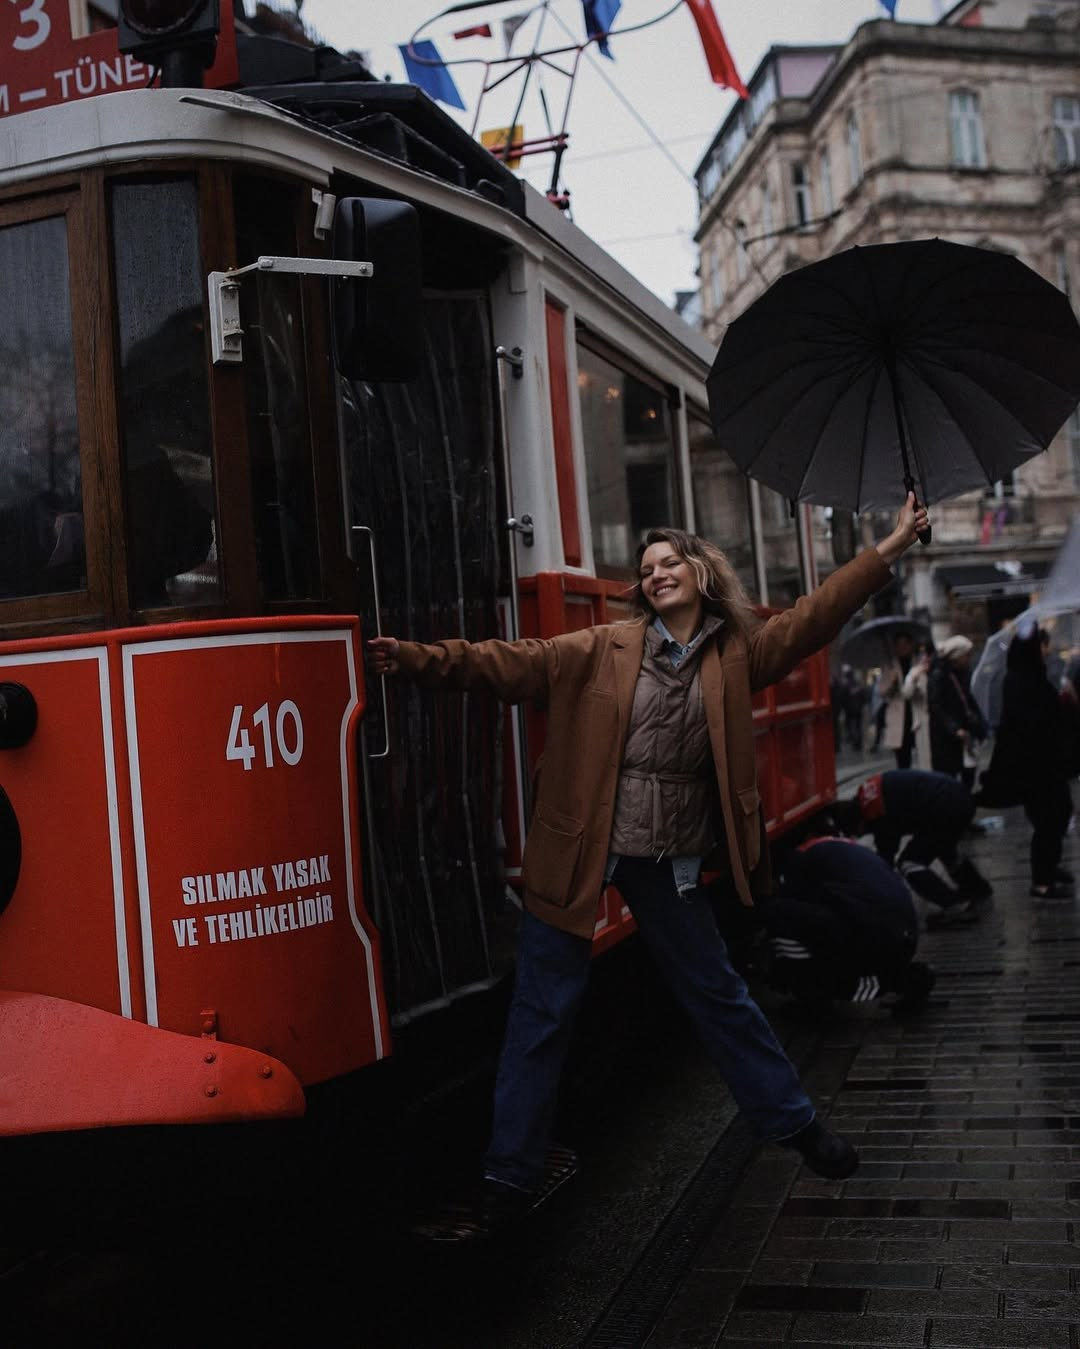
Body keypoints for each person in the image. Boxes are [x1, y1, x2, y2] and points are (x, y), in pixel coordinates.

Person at [368, 494, 928, 1239]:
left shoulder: (738, 653)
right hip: (580, 845)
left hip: (666, 858)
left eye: (670, 562)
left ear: (701, 572)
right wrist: (408, 657)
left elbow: (815, 615)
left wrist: (887, 548)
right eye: (647, 568)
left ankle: (795, 1125)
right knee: (541, 1011)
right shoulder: (603, 646)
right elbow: (505, 664)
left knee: (718, 993)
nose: (657, 573)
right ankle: (507, 1177)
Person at [765, 825, 935, 1019]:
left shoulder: (800, 858)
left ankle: (814, 997)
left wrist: (784, 970)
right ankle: (904, 977)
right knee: (804, 918)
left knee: (777, 913)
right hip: (902, 936)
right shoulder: (844, 850)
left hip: (876, 938)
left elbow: (796, 910)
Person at [978, 619, 1075, 899]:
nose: (1047, 650)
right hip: (1037, 767)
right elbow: (1034, 722)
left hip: (1042, 765)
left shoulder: (1027, 676)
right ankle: (1041, 881)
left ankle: (1049, 868)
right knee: (1049, 820)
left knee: (1057, 815)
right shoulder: (1022, 679)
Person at [829, 769, 992, 929]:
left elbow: (886, 859)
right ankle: (977, 888)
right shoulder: (868, 795)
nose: (862, 835)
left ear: (858, 822)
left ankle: (955, 907)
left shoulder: (875, 812)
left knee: (909, 863)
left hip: (945, 807)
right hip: (955, 797)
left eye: (858, 833)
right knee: (943, 848)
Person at [928, 635, 987, 787]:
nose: (969, 659)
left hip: (965, 734)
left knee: (969, 773)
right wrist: (954, 728)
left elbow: (970, 700)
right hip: (947, 738)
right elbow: (937, 707)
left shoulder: (965, 673)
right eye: (966, 655)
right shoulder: (938, 675)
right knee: (948, 779)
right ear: (956, 657)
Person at [876, 630, 916, 768]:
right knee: (903, 758)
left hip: (916, 713)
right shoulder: (890, 666)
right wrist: (891, 683)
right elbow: (882, 692)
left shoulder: (917, 663)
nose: (902, 647)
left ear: (911, 645)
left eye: (906, 644)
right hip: (899, 717)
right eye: (899, 644)